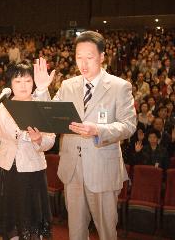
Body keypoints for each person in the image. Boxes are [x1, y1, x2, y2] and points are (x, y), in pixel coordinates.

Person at [51, 31, 137, 240]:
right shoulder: (67, 85)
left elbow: (129, 125)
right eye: (79, 57)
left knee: (107, 231)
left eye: (89, 57)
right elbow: (50, 114)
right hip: (73, 170)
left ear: (102, 56)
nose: (83, 63)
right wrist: (43, 88)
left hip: (103, 169)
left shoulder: (119, 86)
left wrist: (98, 130)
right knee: (76, 232)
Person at [0, 59, 56, 240]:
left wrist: (39, 139)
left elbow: (51, 140)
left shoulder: (41, 102)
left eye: (27, 81)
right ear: (10, 84)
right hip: (6, 168)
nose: (23, 85)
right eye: (18, 81)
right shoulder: (2, 105)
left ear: (34, 83)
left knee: (30, 220)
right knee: (10, 221)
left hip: (31, 171)